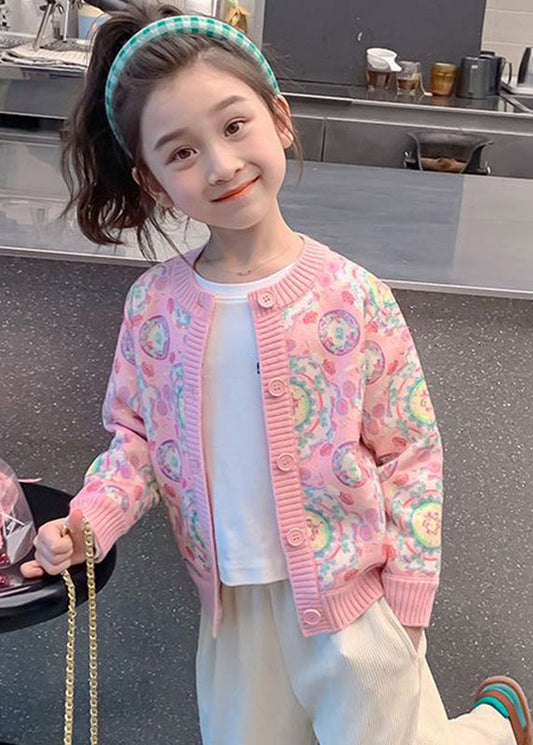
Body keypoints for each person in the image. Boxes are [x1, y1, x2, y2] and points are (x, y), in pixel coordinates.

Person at [20, 5, 532, 745]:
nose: (221, 165)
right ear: (153, 181)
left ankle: (490, 727)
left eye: (234, 126)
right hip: (231, 614)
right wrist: (87, 522)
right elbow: (137, 445)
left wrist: (408, 598)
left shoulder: (353, 297)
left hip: (355, 607)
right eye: (182, 152)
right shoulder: (154, 308)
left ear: (280, 119)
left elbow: (411, 453)